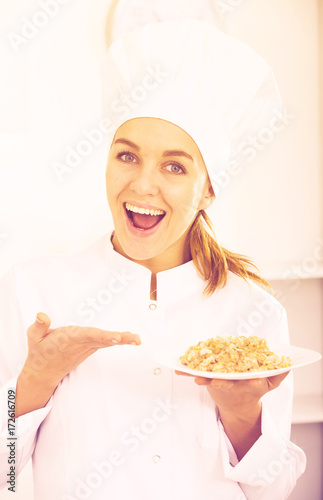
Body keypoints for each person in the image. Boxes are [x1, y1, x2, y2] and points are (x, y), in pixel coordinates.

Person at [0, 20, 306, 500]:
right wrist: (35, 381)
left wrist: (242, 417)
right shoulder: (32, 289)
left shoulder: (255, 313)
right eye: (127, 156)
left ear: (208, 189)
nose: (142, 185)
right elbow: (6, 474)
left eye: (174, 166)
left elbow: (273, 493)